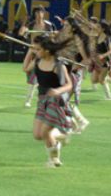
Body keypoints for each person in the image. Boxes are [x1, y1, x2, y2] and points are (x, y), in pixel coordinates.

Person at [23, 35, 74, 167]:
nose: (36, 51)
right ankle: (62, 136)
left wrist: (58, 91)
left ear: (46, 50)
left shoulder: (58, 65)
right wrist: (30, 51)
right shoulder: (38, 61)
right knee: (38, 135)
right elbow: (25, 68)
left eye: (38, 49)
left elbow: (69, 85)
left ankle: (54, 159)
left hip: (55, 100)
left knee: (46, 132)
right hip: (42, 100)